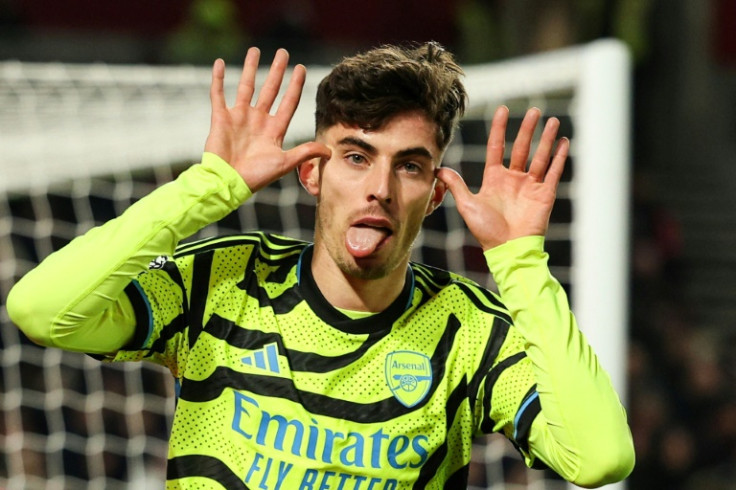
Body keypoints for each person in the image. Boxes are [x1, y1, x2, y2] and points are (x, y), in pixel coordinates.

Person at [7, 43, 635, 489]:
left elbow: (600, 458)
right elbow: (42, 310)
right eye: (357, 157)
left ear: (436, 193)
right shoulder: (225, 283)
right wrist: (207, 188)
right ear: (312, 171)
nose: (380, 189)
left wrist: (519, 260)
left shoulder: (468, 330)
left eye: (409, 166)